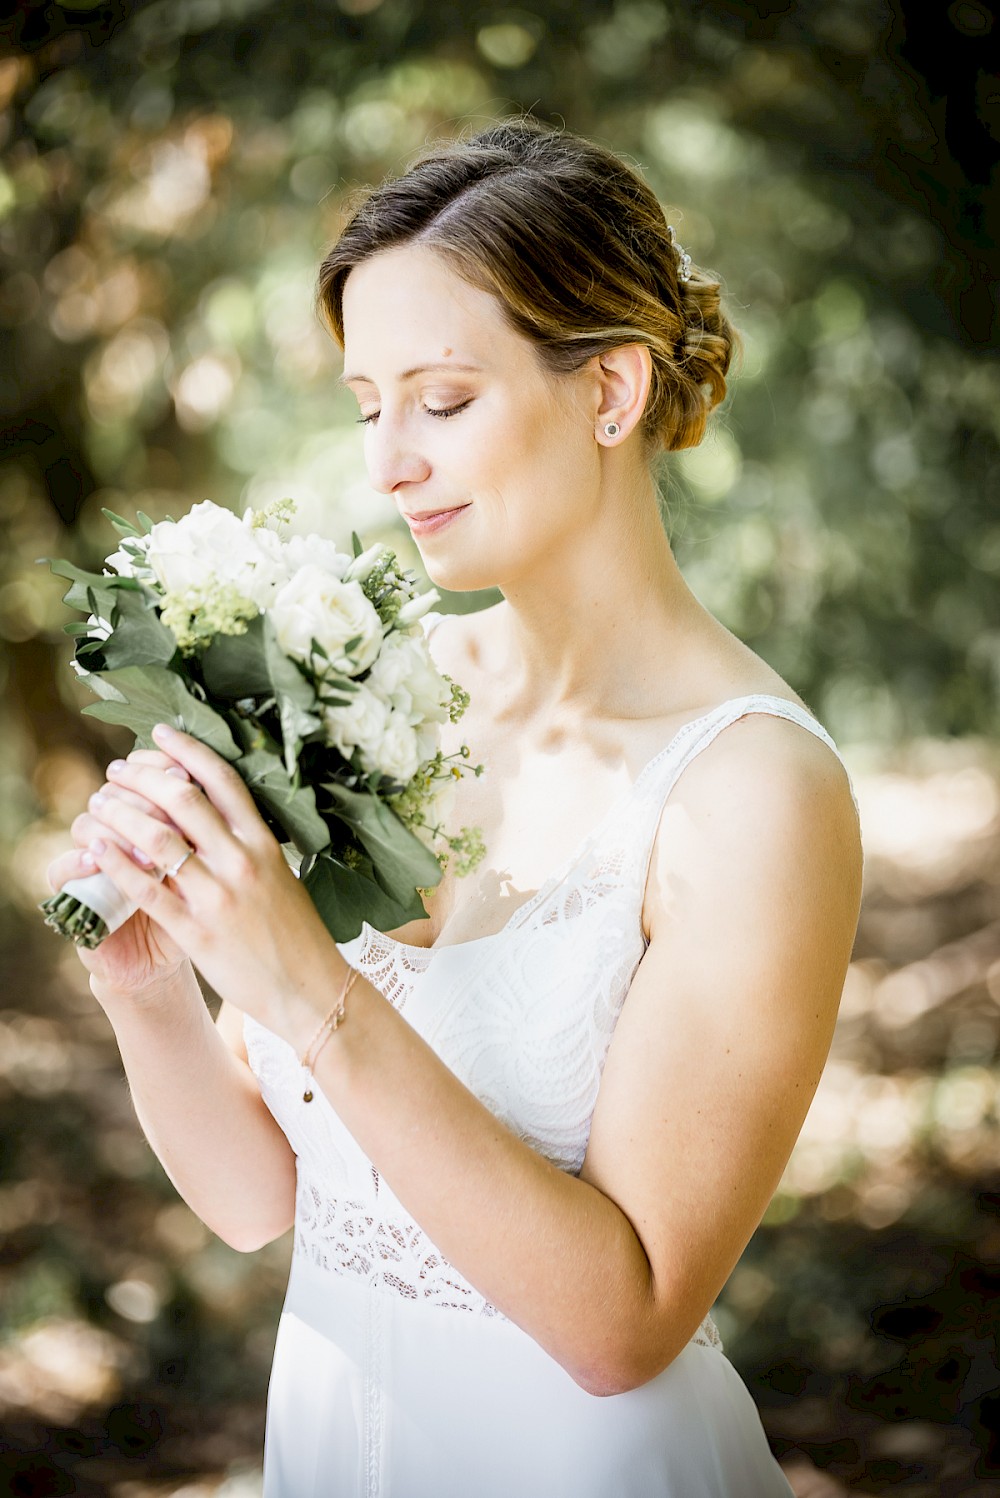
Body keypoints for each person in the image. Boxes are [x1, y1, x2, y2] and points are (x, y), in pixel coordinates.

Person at [47, 119, 863, 1497]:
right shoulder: (379, 689)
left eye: (441, 397)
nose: (388, 464)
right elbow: (262, 1199)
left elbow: (624, 1323)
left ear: (609, 390)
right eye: (369, 404)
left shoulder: (753, 793)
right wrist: (146, 986)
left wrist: (311, 987)